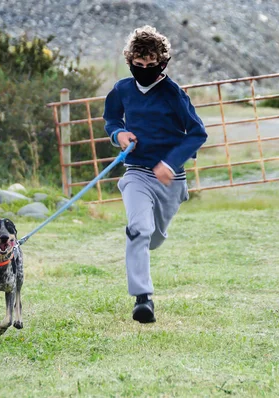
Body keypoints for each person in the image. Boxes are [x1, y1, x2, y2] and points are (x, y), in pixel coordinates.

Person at [103, 25, 208, 323]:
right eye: (139, 66)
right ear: (130, 62)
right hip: (136, 172)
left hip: (170, 180)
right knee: (138, 230)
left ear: (162, 63)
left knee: (154, 238)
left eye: (152, 66)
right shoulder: (122, 89)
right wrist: (119, 135)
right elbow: (111, 119)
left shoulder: (174, 94)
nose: (145, 70)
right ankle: (142, 299)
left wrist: (171, 163)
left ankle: (146, 244)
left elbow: (197, 134)